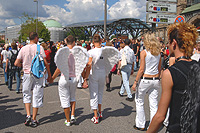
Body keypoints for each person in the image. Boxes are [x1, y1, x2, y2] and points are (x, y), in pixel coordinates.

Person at [147, 22, 199, 133]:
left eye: (169, 42)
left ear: (174, 43)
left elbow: (160, 116)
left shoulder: (170, 73)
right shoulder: (197, 66)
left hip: (178, 128)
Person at [14, 32, 52, 127]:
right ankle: (34, 119)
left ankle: (28, 115)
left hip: (27, 74)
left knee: (26, 94)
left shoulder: (23, 48)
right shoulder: (39, 48)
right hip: (38, 75)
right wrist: (49, 75)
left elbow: (16, 62)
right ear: (35, 38)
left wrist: (23, 66)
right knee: (37, 95)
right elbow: (45, 62)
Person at [132, 33, 161, 131]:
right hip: (156, 80)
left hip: (145, 79)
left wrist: (135, 82)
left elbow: (141, 69)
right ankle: (153, 126)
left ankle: (140, 124)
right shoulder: (158, 53)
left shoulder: (144, 52)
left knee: (139, 101)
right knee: (154, 104)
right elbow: (159, 68)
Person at [51, 35, 78, 126]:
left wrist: (52, 78)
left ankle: (68, 120)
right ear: (74, 42)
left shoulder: (62, 52)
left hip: (64, 77)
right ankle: (73, 115)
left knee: (64, 99)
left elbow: (59, 69)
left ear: (66, 42)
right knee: (72, 97)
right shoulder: (77, 52)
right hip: (74, 77)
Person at [85, 34, 106, 124]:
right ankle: (100, 112)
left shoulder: (91, 52)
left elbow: (89, 64)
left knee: (94, 94)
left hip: (94, 74)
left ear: (93, 42)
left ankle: (95, 116)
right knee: (100, 93)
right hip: (103, 73)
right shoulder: (105, 51)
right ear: (101, 41)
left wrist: (85, 78)